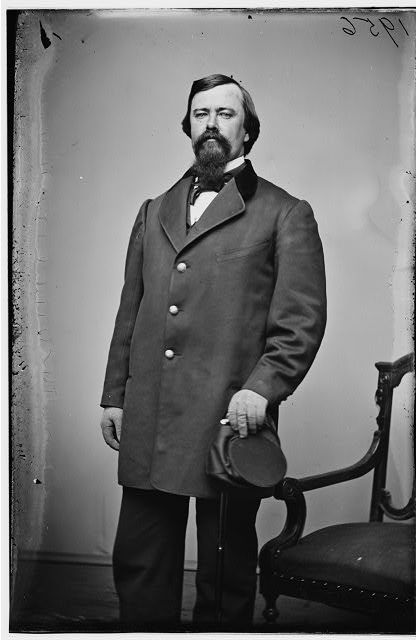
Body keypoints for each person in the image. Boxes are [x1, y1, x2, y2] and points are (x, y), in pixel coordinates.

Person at [100, 73, 326, 630]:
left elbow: (299, 322)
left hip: (229, 415)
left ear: (247, 130)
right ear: (188, 126)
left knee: (225, 574)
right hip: (150, 411)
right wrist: (114, 396)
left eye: (225, 114)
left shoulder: (285, 212)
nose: (211, 124)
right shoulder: (153, 210)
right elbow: (131, 310)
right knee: (140, 563)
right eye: (201, 113)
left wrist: (263, 389)